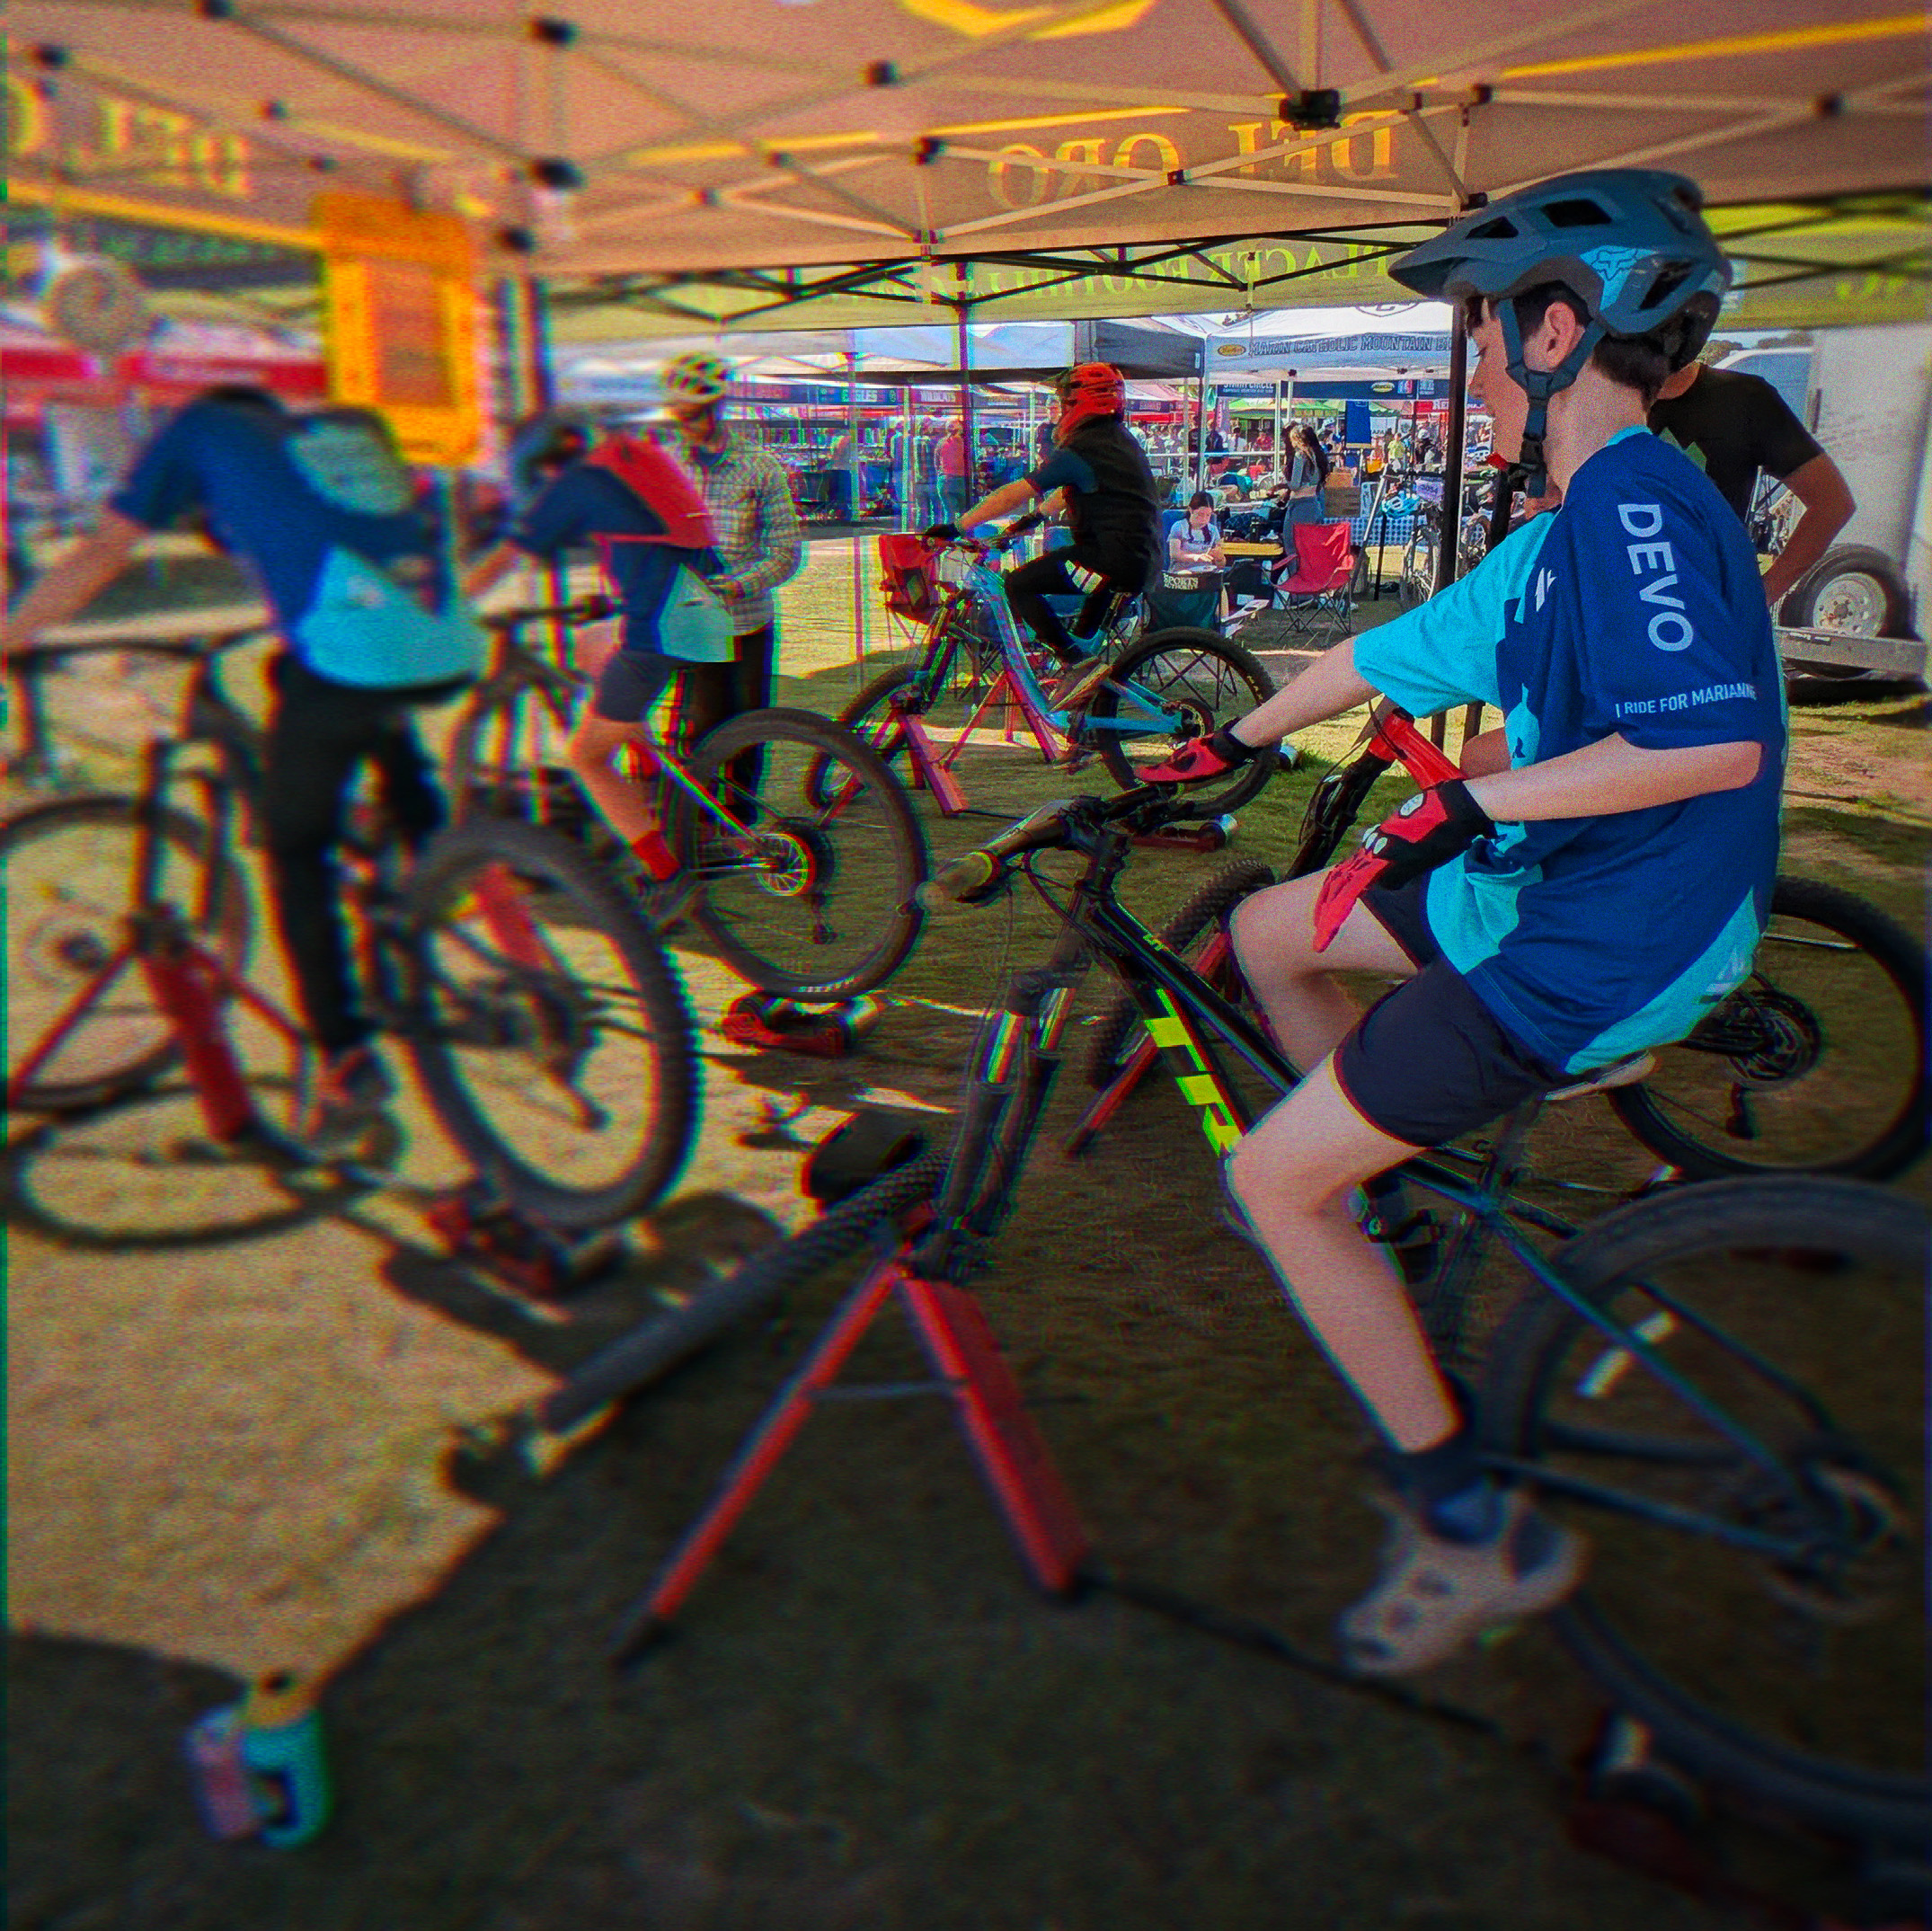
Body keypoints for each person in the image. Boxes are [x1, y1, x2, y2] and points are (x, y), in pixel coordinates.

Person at [1138, 169, 1783, 1676]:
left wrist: (1485, 804)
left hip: (1605, 937)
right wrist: (1238, 741)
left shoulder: (1624, 497)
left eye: (1487, 332)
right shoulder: (1592, 517)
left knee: (1273, 1183)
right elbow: (1377, 651)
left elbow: (1713, 741)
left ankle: (1469, 1525)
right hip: (1586, 895)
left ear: (1561, 331)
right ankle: (1396, 1199)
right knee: (1277, 929)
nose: (1475, 363)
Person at [1, 385, 487, 1130]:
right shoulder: (319, 441)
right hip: (447, 638)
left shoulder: (194, 428)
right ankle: (431, 864)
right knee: (328, 685)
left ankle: (344, 1053)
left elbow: (102, 552)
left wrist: (12, 633)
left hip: (349, 660)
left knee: (298, 853)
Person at [463, 406, 729, 880]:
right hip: (703, 609)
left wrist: (443, 607)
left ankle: (667, 875)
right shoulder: (636, 455)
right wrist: (615, 599)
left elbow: (507, 558)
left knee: (584, 756)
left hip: (660, 629)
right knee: (590, 644)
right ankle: (637, 748)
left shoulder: (578, 483)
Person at [921, 363, 1160, 704]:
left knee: (1019, 584)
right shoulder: (1117, 441)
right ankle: (1085, 733)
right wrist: (1028, 523)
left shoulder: (1083, 447)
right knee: (1084, 655)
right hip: (1135, 560)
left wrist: (958, 526)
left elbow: (1015, 492)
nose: (1059, 411)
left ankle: (1075, 663)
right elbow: (1067, 494)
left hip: (1110, 559)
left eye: (1063, 403)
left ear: (1079, 403)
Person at [1647, 357, 1855, 611]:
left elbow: (1832, 503)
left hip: (1705, 621)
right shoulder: (1596, 400)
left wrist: (1757, 602)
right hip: (1614, 622)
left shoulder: (1744, 398)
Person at [1283, 422, 1332, 525]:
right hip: (1315, 502)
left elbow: (1295, 485)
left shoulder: (1300, 455)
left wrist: (1286, 476)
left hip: (1300, 505)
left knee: (1292, 538)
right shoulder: (1316, 454)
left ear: (1297, 439)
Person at [1168, 491, 1227, 571]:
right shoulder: (1179, 527)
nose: (1204, 519)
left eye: (1208, 515)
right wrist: (1196, 557)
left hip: (1206, 573)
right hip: (1183, 573)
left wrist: (1220, 559)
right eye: (1200, 514)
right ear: (1191, 510)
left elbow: (1221, 566)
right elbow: (1174, 554)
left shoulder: (1213, 530)